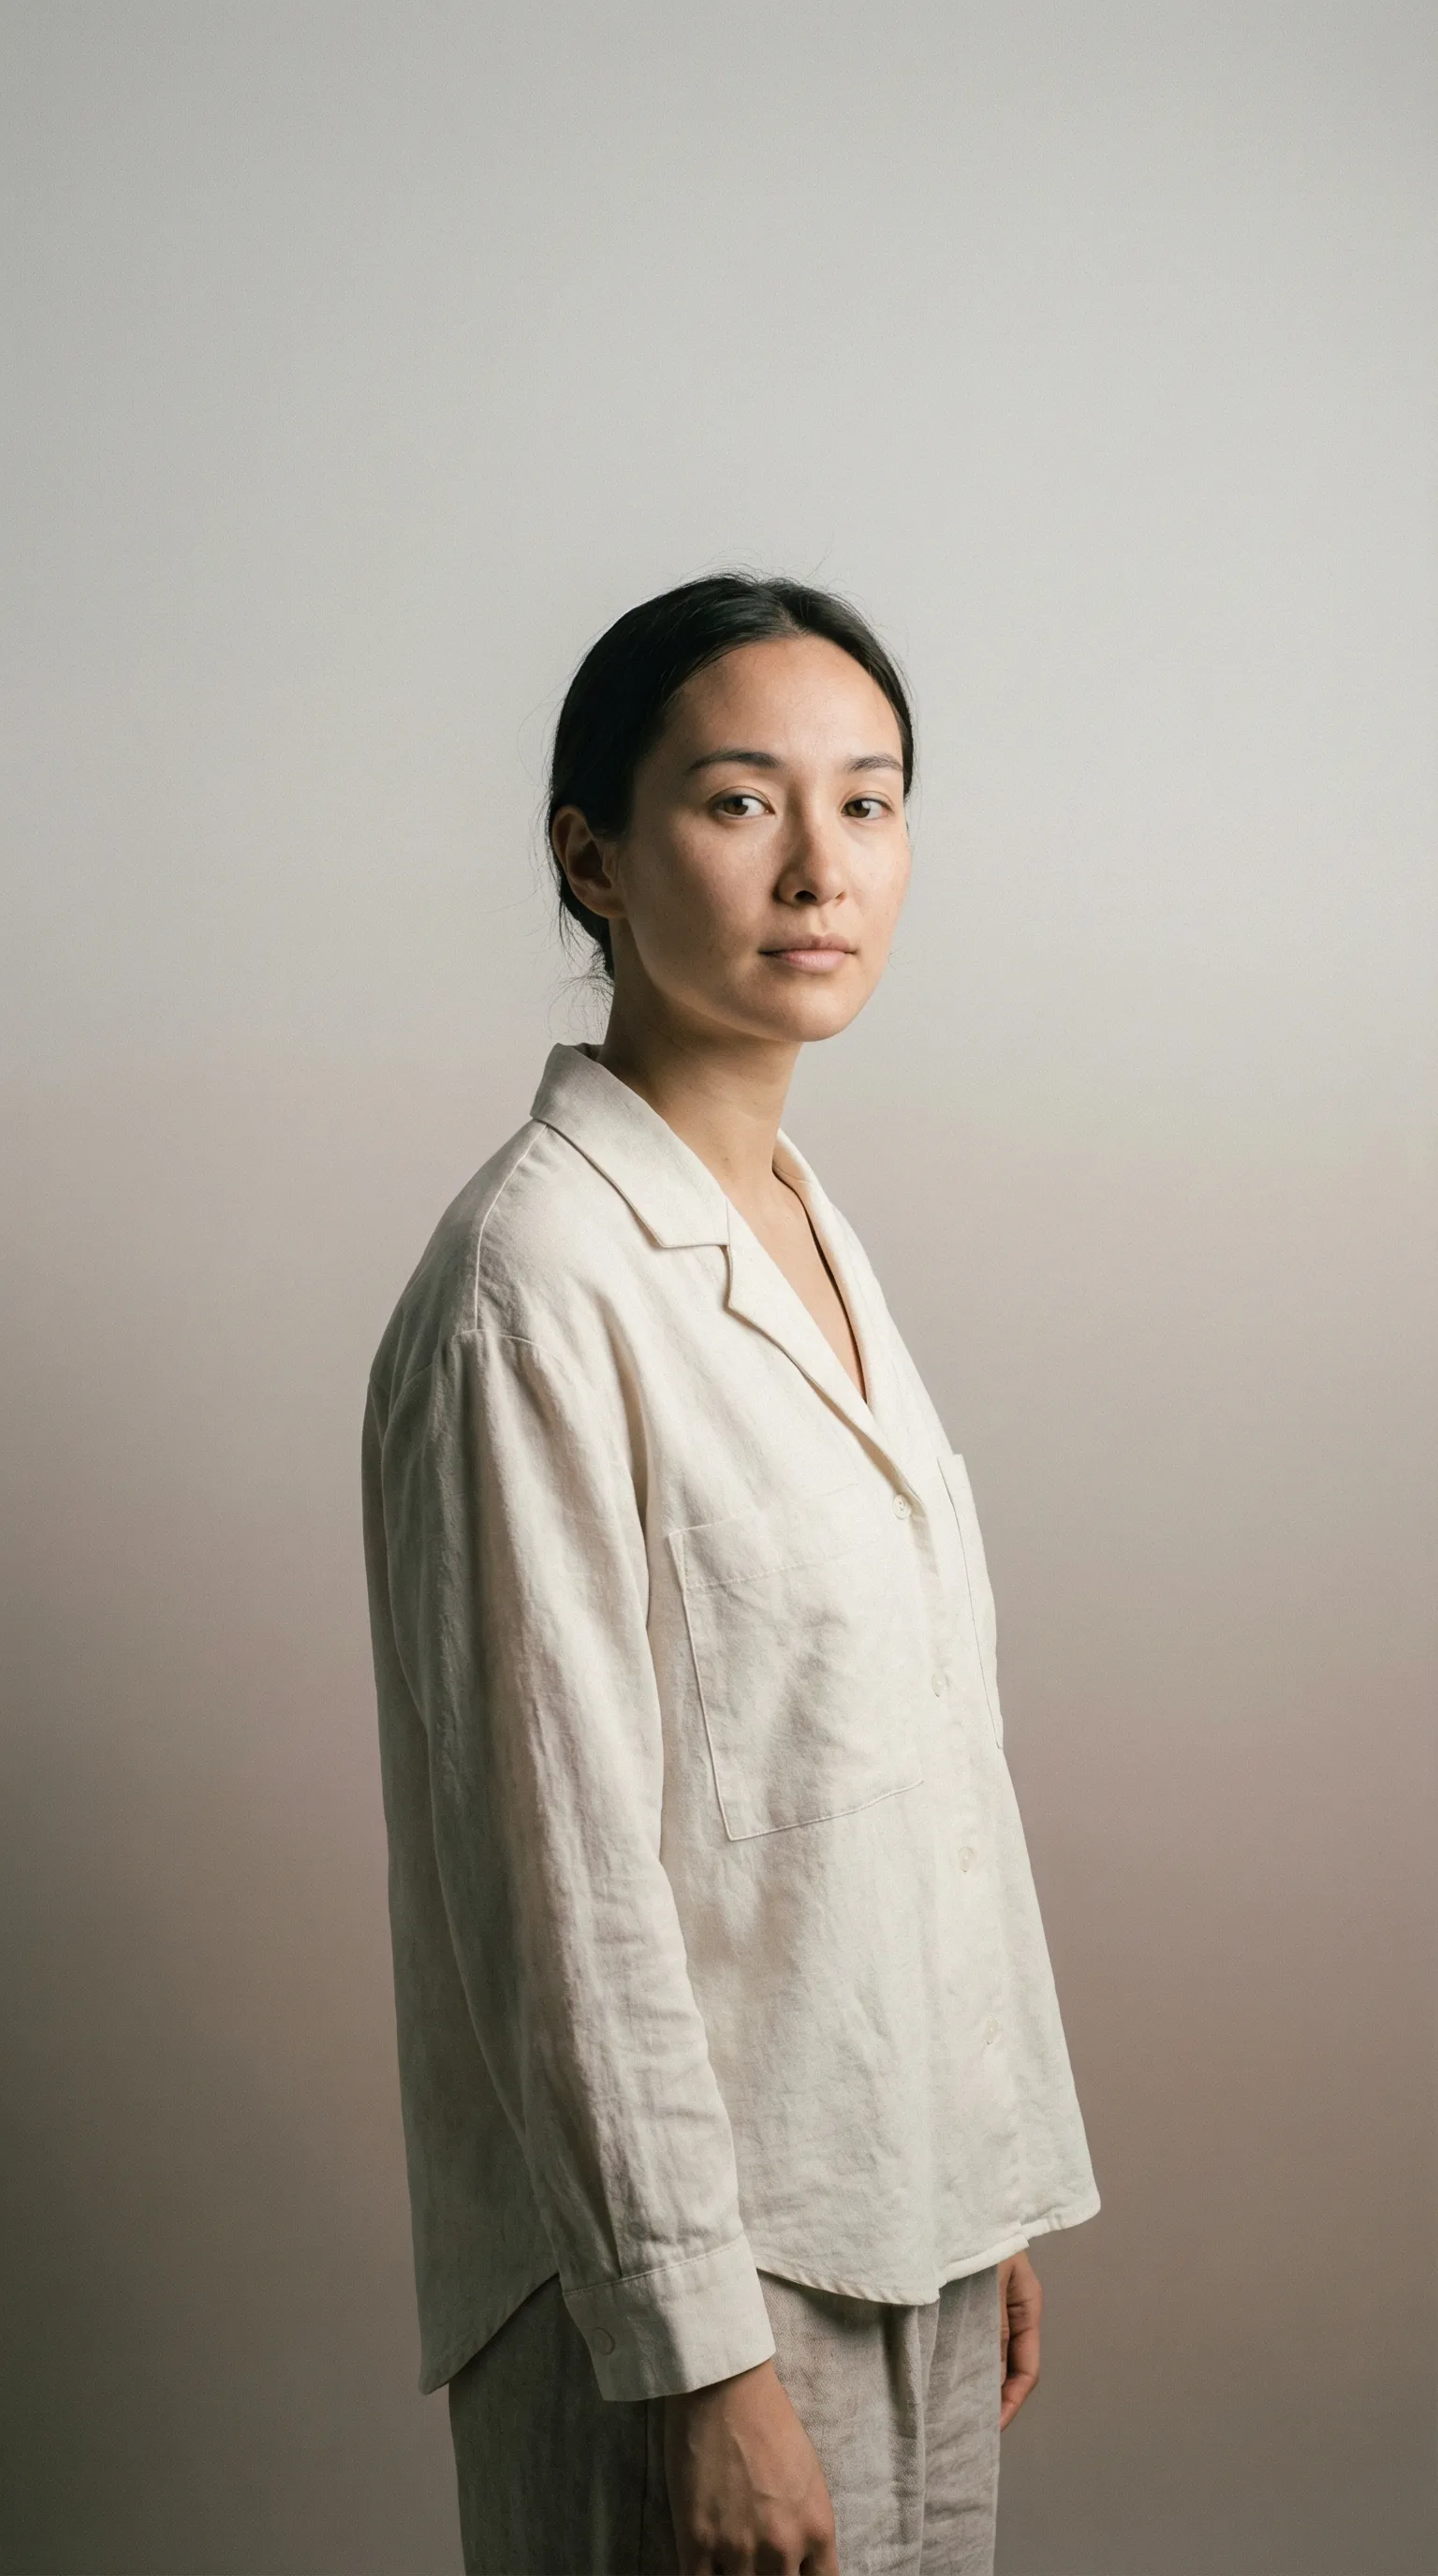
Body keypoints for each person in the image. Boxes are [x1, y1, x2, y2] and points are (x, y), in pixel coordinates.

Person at [361, 574, 1099, 2575]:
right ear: (591, 856)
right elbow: (560, 1877)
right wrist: (700, 2367)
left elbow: (899, 1761)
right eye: (739, 800)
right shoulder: (534, 1282)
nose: (817, 867)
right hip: (695, 2286)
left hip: (897, 2215)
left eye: (867, 803)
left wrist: (982, 2171)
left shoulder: (798, 1222)